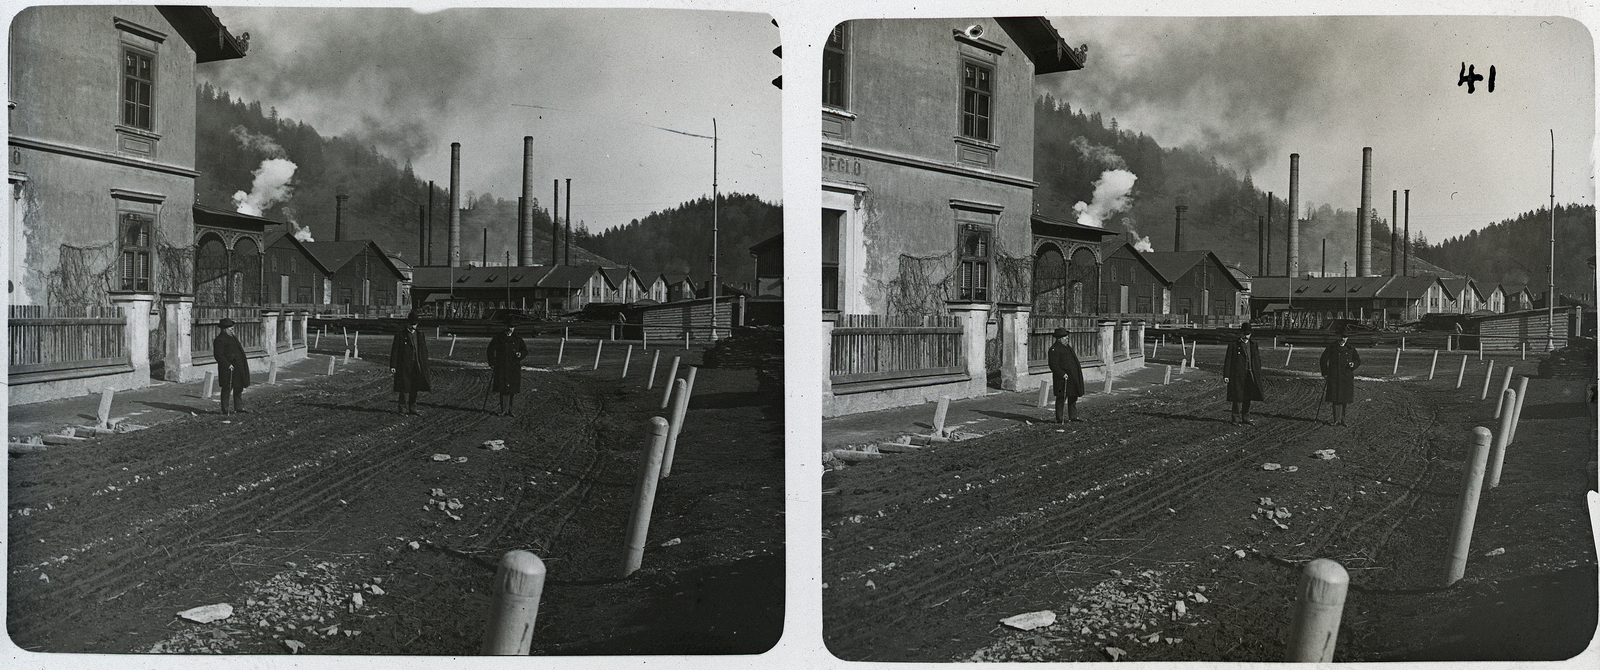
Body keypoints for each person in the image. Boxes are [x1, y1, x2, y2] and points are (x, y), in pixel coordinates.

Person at [389, 312, 432, 416]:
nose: (413, 326)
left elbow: (423, 350)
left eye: (415, 324)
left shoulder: (420, 335)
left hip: (417, 365)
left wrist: (425, 363)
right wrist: (393, 366)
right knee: (403, 388)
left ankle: (413, 408)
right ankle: (402, 409)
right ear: (407, 323)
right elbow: (395, 351)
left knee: (415, 387)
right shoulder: (400, 335)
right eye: (412, 324)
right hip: (404, 366)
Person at [1222, 322, 1264, 425]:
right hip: (1238, 375)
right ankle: (1235, 418)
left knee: (1248, 397)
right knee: (1237, 397)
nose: (1246, 336)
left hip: (1250, 375)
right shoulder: (1234, 345)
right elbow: (1228, 361)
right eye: (1244, 333)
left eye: (1248, 334)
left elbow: (1257, 359)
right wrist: (1226, 375)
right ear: (1240, 333)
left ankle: (1246, 417)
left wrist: (1257, 371)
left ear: (1251, 334)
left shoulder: (1253, 345)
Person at [1319, 326, 1361, 426]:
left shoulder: (1351, 348)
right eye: (1341, 336)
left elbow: (1358, 360)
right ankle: (1336, 420)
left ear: (1347, 338)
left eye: (1345, 337)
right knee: (1336, 399)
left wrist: (1353, 364)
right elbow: (1323, 360)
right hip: (1334, 376)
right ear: (1337, 336)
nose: (1343, 339)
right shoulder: (1331, 347)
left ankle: (1343, 420)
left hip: (1346, 377)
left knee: (1344, 399)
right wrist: (1325, 373)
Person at [486, 317, 527, 416]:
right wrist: (492, 363)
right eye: (509, 326)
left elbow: (525, 350)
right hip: (502, 367)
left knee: (512, 389)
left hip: (514, 367)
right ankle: (503, 410)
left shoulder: (518, 339)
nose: (510, 329)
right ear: (505, 326)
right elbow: (490, 350)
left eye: (512, 327)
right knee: (503, 388)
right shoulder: (498, 338)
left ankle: (510, 410)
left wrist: (520, 354)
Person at [1047, 326, 1086, 423]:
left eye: (1067, 337)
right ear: (1059, 339)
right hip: (1062, 378)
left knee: (1073, 396)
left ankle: (1073, 416)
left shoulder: (1067, 347)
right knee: (1061, 398)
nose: (1067, 339)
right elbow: (1053, 365)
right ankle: (1060, 418)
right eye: (1065, 337)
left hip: (1072, 377)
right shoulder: (1054, 349)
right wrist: (1062, 374)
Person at [213, 317, 250, 415]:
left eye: (232, 328)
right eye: (230, 328)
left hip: (237, 367)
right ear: (224, 329)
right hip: (228, 368)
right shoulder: (220, 339)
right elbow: (218, 355)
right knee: (227, 388)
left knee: (238, 387)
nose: (232, 330)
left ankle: (238, 408)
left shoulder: (232, 337)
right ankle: (225, 410)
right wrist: (227, 364)